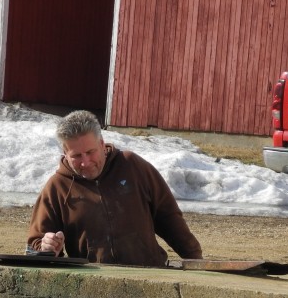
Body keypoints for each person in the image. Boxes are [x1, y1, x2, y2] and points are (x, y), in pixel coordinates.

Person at [26, 110, 203, 266]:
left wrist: (195, 259)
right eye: (76, 156)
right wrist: (46, 248)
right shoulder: (57, 187)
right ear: (65, 153)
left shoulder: (132, 166)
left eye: (90, 152)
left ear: (102, 144)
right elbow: (35, 245)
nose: (85, 162)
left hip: (150, 275)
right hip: (94, 286)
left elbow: (168, 216)